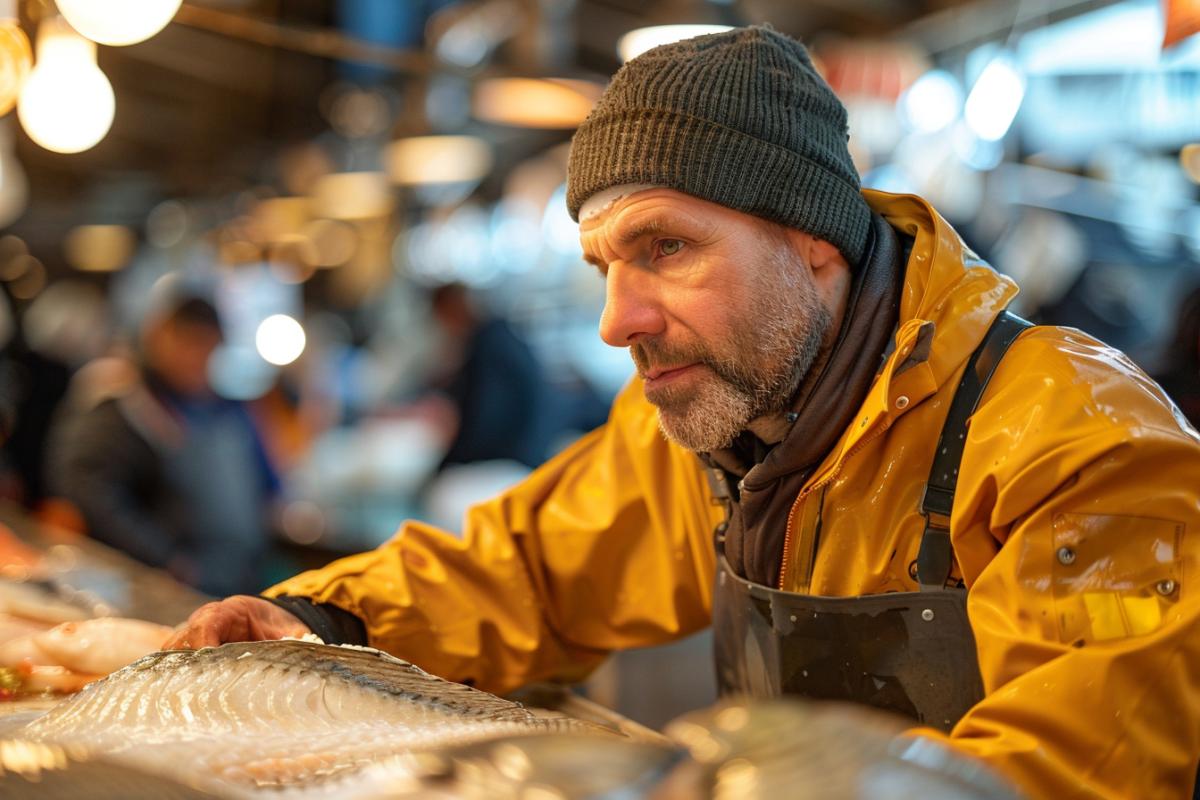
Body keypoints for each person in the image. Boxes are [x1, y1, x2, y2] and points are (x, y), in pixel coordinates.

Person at [168, 27, 1200, 798]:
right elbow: (526, 569)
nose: (618, 320)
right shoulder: (723, 424)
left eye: (665, 246)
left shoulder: (1078, 444)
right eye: (603, 265)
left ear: (812, 244)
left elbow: (1068, 773)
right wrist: (321, 619)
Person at [47, 282, 280, 596]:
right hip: (168, 588)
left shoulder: (233, 412)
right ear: (157, 337)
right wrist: (166, 560)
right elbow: (87, 488)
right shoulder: (126, 409)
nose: (196, 356)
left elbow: (268, 487)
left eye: (207, 345)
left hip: (246, 581)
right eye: (187, 341)